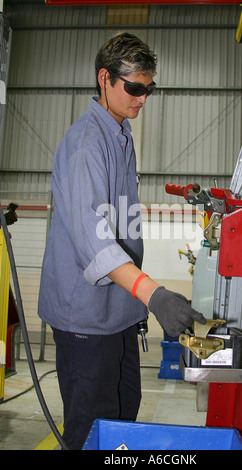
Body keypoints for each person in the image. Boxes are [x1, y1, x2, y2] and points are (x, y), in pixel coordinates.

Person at [38, 32, 206, 450]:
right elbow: (95, 243)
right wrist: (154, 294)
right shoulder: (86, 145)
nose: (142, 98)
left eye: (148, 89)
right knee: (92, 431)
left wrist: (136, 306)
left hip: (116, 315)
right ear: (104, 79)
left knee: (122, 420)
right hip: (85, 321)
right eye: (134, 87)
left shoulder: (121, 134)